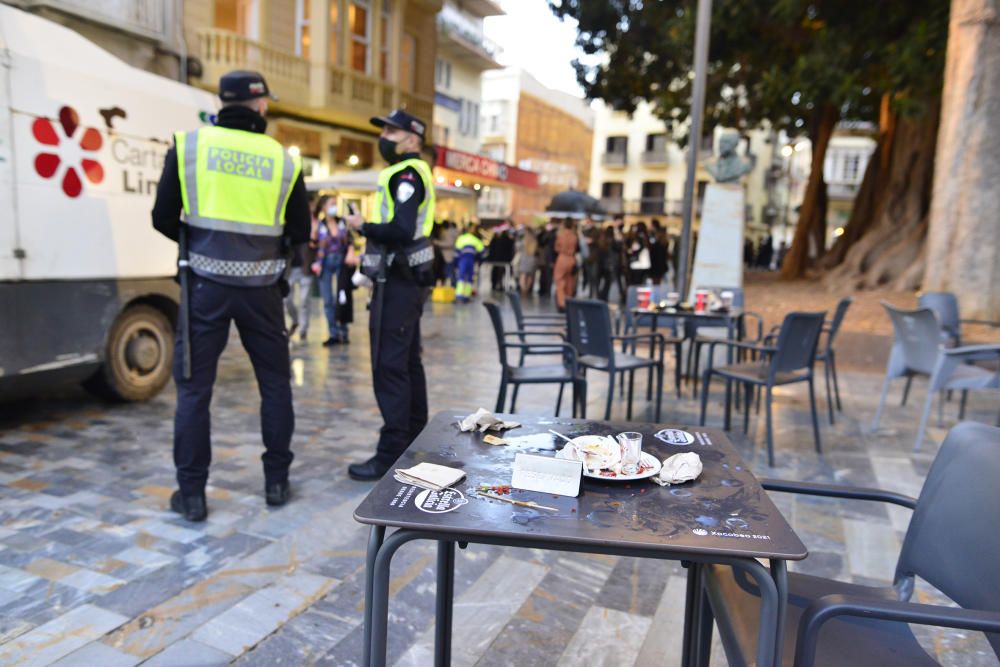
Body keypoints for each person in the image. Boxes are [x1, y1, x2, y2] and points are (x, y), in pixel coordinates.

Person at [151, 70, 310, 521]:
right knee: (276, 386)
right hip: (262, 291)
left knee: (195, 392)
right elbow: (301, 230)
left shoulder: (190, 147)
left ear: (222, 102)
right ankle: (276, 482)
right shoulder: (282, 160)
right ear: (259, 105)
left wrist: (198, 241)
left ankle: (193, 494)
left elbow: (162, 216)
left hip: (205, 286)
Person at [345, 109, 436, 481]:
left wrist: (361, 225)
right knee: (408, 363)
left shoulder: (408, 174)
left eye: (391, 131)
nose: (383, 136)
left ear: (412, 138)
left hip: (396, 282)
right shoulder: (413, 172)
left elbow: (399, 227)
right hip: (406, 282)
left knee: (390, 367)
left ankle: (391, 454)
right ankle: (414, 441)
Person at [312, 200, 348, 345]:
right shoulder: (320, 224)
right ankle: (333, 333)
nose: (334, 206)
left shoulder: (342, 222)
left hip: (341, 261)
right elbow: (316, 245)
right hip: (325, 262)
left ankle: (343, 332)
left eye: (335, 203)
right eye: (331, 204)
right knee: (328, 300)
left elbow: (349, 241)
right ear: (324, 207)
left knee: (342, 298)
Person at [284, 200, 316, 342]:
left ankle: (303, 329)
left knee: (304, 301)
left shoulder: (313, 225)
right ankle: (295, 320)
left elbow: (318, 243)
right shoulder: (288, 226)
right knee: (287, 300)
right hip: (290, 270)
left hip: (305, 268)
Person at [454, 225, 485, 302]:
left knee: (461, 277)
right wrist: (479, 260)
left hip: (462, 260)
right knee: (469, 278)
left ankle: (459, 295)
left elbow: (456, 252)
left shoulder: (461, 238)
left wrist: (455, 263)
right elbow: (483, 252)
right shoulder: (475, 239)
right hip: (471, 260)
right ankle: (466, 296)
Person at [553, 218, 578, 311]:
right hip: (571, 259)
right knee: (569, 281)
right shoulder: (574, 236)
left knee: (559, 281)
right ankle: (568, 301)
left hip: (562, 258)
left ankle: (562, 303)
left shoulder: (561, 235)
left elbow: (556, 247)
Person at [516, 224, 538, 294]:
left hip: (524, 258)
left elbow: (517, 248)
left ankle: (523, 289)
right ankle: (527, 289)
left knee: (523, 275)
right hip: (532, 259)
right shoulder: (534, 241)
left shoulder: (523, 240)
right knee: (529, 275)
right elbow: (535, 251)